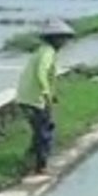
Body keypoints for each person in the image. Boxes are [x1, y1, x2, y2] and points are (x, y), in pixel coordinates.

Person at [15, 18, 76, 179]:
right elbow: (41, 73)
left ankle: (29, 160)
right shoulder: (47, 52)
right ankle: (40, 167)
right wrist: (46, 93)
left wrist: (51, 93)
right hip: (35, 99)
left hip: (28, 97)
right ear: (54, 38)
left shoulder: (43, 50)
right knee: (44, 132)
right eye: (62, 38)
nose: (65, 42)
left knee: (41, 129)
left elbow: (46, 75)